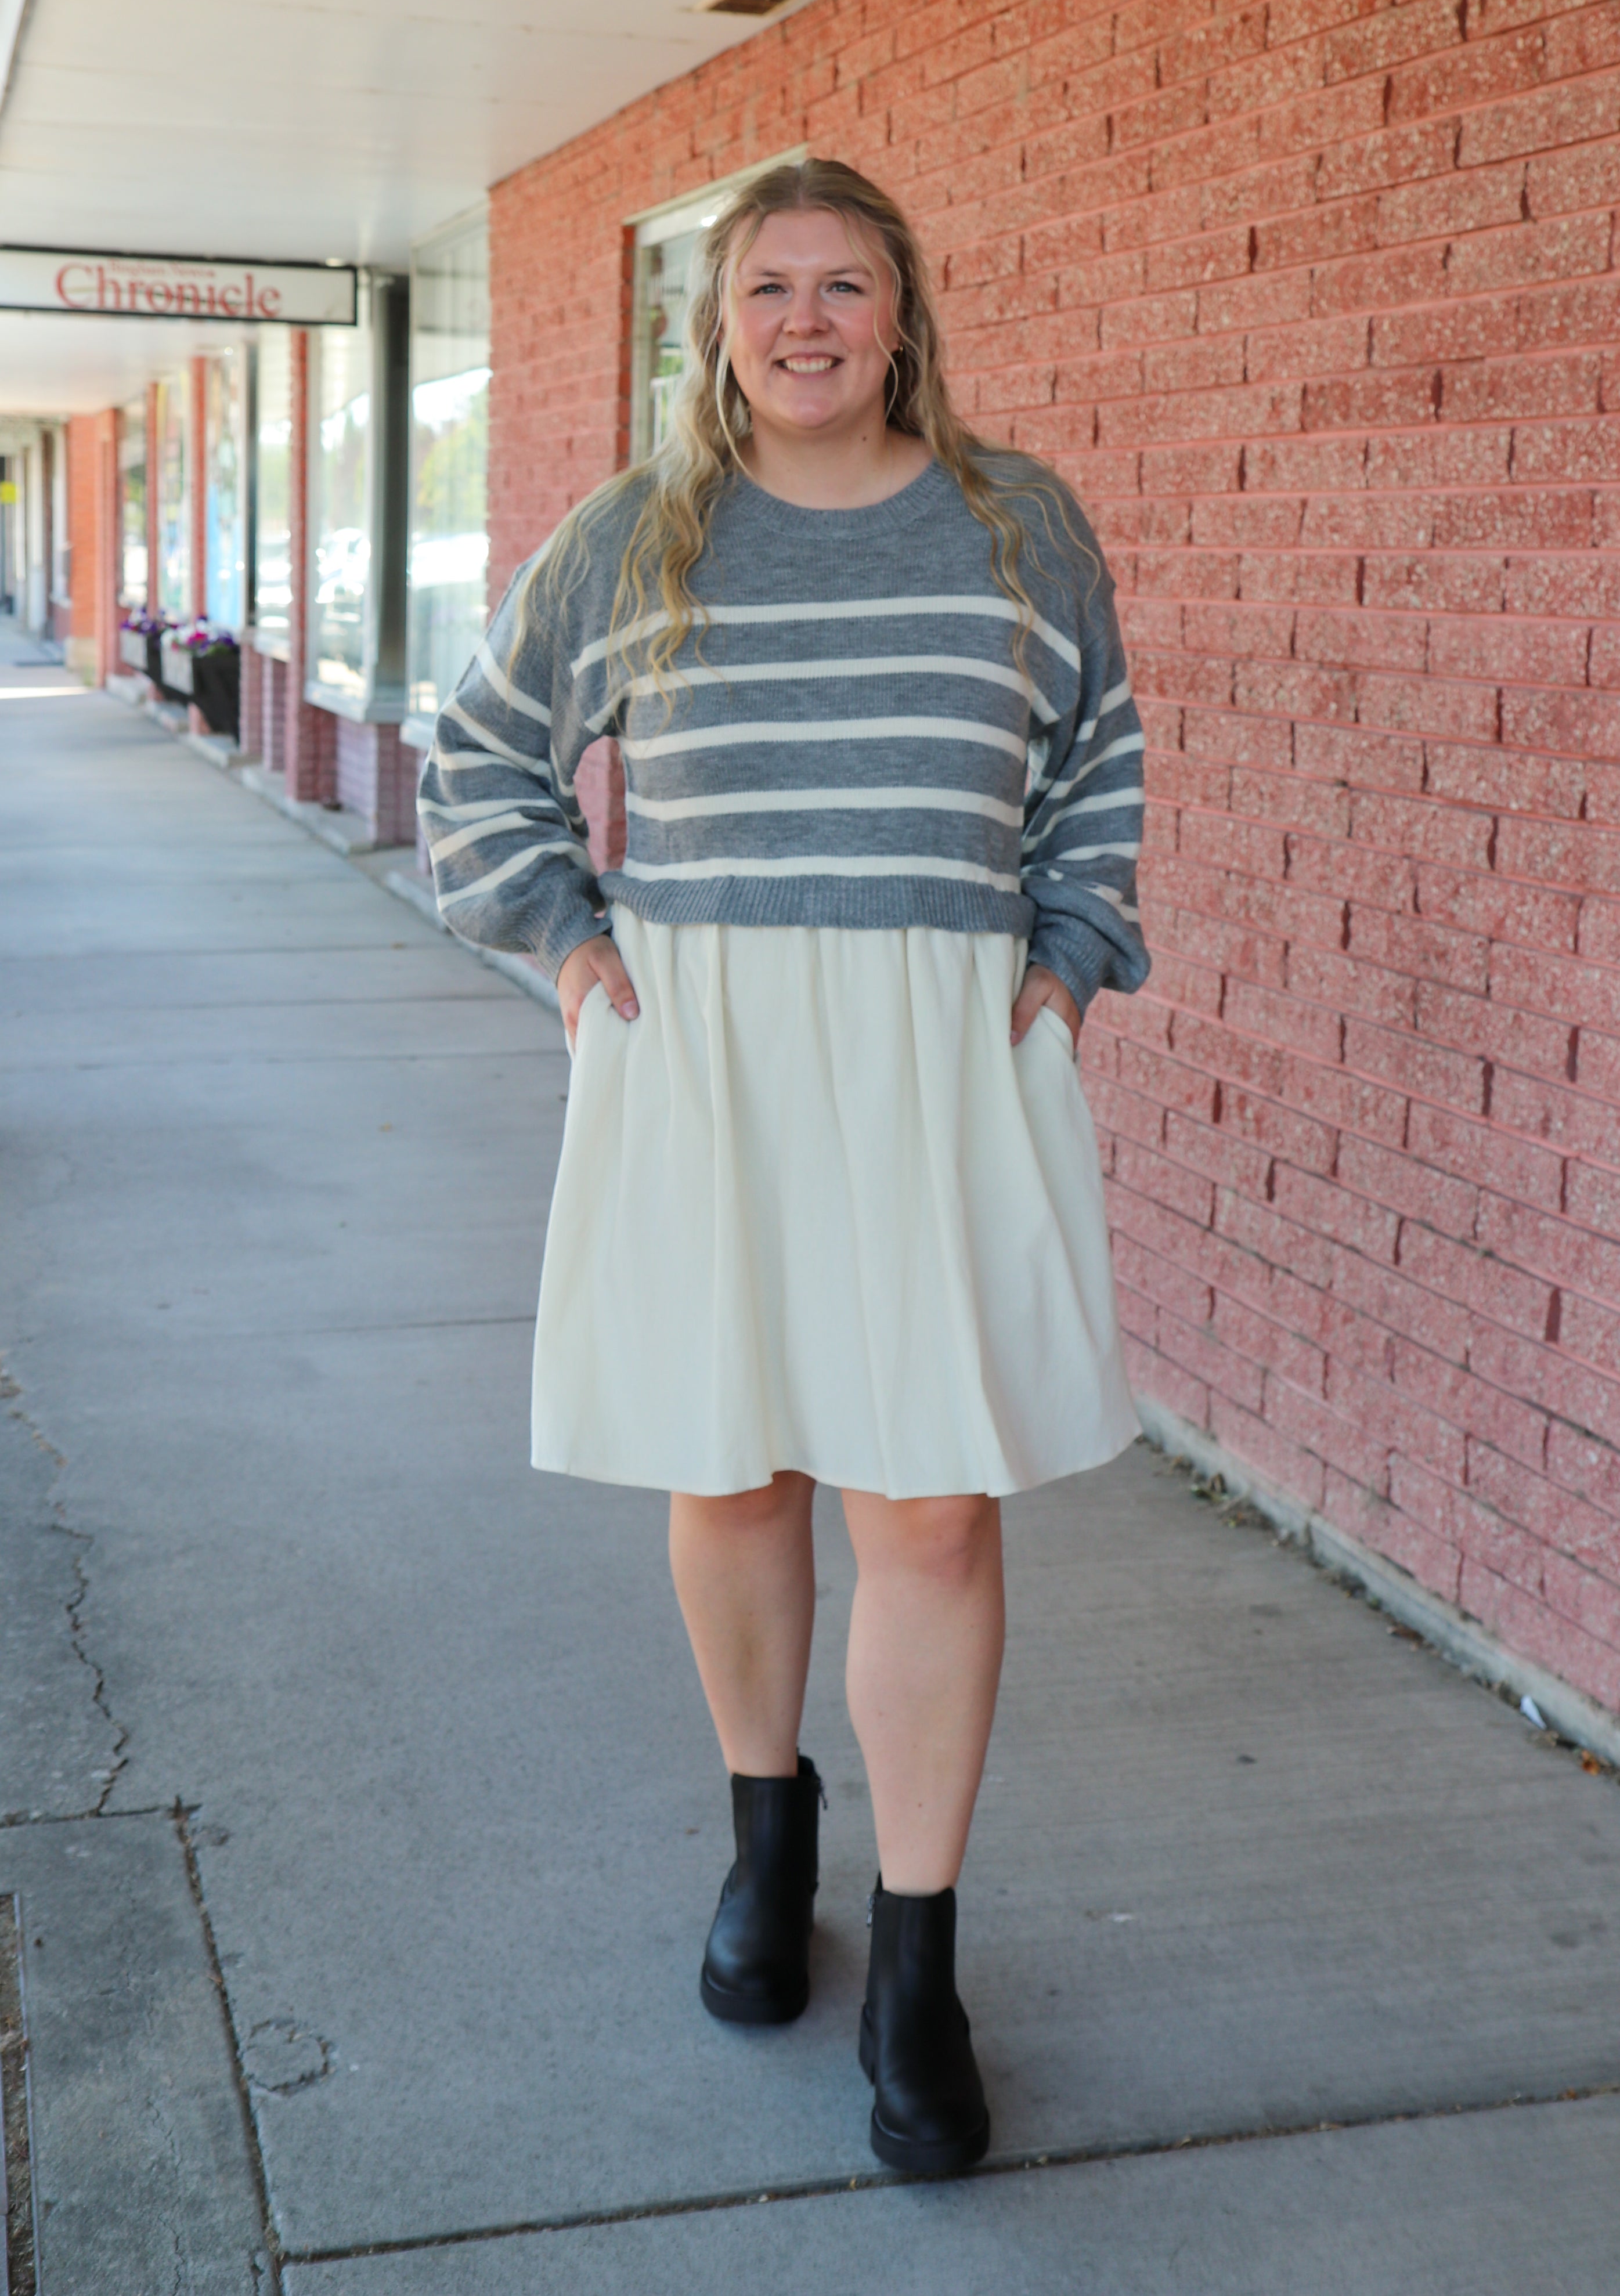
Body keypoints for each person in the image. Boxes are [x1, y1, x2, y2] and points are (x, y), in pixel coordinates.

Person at [419, 157, 1149, 2178]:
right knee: (732, 1468)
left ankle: (918, 1962)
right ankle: (768, 1835)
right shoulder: (635, 534)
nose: (807, 321)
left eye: (844, 285)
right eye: (769, 288)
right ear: (717, 326)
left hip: (938, 1059)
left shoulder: (1016, 525)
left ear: (902, 312)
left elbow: (1099, 761)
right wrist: (570, 954)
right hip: (707, 1056)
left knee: (930, 1511)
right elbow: (478, 750)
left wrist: (1067, 968)